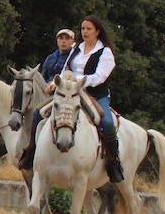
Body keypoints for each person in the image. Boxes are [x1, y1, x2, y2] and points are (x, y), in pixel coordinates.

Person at [52, 15, 123, 182]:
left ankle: (114, 163)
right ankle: (32, 154)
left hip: (96, 95)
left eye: (88, 29)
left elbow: (100, 76)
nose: (84, 32)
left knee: (106, 123)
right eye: (83, 28)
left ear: (97, 31)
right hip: (70, 92)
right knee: (39, 112)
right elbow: (65, 68)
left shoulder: (105, 52)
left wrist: (78, 81)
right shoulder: (76, 48)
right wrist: (58, 83)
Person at [16, 28, 77, 169]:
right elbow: (43, 77)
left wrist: (56, 86)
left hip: (63, 93)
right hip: (47, 92)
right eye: (61, 38)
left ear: (72, 41)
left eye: (67, 38)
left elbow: (71, 76)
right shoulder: (50, 58)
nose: (63, 41)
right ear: (57, 41)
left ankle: (31, 149)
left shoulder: (73, 58)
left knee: (37, 113)